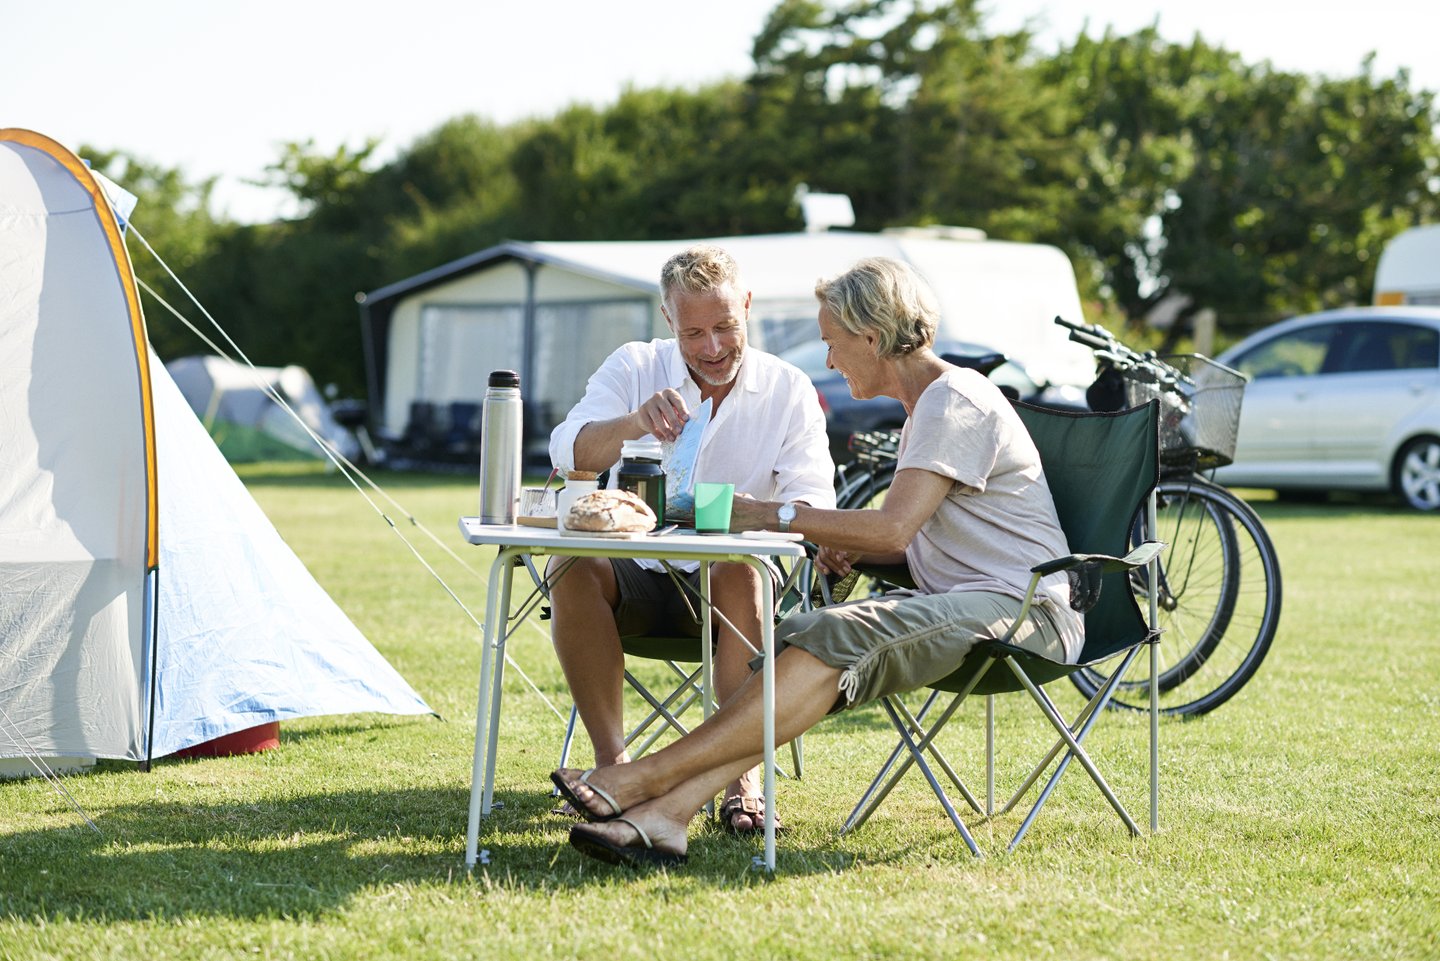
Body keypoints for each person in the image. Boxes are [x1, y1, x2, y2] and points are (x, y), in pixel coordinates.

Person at [551, 255, 1085, 867]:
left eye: (833, 343)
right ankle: (669, 815)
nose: (828, 360)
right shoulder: (926, 411)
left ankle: (638, 781)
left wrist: (771, 515)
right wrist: (847, 545)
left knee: (824, 628)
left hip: (1025, 610)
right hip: (962, 603)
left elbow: (890, 527)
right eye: (692, 332)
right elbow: (913, 540)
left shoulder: (954, 399)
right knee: (807, 633)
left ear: (872, 337)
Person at [546, 243, 836, 833]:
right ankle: (615, 771)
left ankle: (740, 783)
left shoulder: (788, 388)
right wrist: (633, 423)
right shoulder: (635, 366)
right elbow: (567, 451)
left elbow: (813, 506)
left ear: (748, 306)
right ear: (667, 320)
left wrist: (750, 516)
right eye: (693, 332)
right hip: (641, 580)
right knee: (569, 561)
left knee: (739, 570)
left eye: (726, 327)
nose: (711, 348)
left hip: (736, 590)